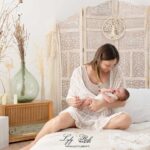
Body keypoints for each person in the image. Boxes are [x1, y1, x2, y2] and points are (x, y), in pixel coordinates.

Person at [22, 43, 132, 150]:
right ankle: (33, 144)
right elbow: (69, 98)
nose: (111, 68)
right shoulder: (79, 72)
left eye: (114, 65)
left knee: (126, 119)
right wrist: (73, 102)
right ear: (98, 60)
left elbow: (123, 102)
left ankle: (85, 125)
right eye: (107, 65)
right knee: (58, 120)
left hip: (102, 116)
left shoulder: (117, 73)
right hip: (80, 113)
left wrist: (102, 104)